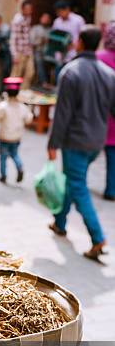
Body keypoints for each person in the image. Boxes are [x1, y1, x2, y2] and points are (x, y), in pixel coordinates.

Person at [48, 25, 115, 260]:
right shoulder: (108, 74)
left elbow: (62, 114)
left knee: (78, 186)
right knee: (73, 179)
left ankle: (97, 237)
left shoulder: (71, 72)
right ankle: (59, 221)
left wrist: (52, 143)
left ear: (80, 43)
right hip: (96, 141)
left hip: (75, 140)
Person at [0, 77, 33, 183]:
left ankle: (3, 176)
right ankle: (19, 167)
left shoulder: (3, 107)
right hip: (16, 137)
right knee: (15, 154)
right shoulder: (22, 107)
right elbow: (29, 119)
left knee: (3, 157)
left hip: (4, 138)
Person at [97, 21, 115, 201]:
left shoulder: (98, 57)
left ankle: (79, 183)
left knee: (86, 155)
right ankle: (111, 189)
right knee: (112, 155)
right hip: (114, 117)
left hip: (98, 114)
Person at [10, 1, 34, 89]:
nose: (30, 11)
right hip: (19, 52)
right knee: (16, 75)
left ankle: (23, 93)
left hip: (28, 51)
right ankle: (11, 95)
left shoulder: (28, 18)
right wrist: (14, 54)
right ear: (22, 9)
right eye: (28, 9)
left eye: (30, 9)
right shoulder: (17, 20)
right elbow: (13, 38)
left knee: (30, 73)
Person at [52, 0, 85, 64]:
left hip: (73, 54)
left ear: (67, 9)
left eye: (60, 11)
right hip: (60, 55)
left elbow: (83, 36)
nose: (59, 14)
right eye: (57, 12)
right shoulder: (57, 22)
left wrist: (75, 46)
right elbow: (54, 36)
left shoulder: (78, 20)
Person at [30, 12, 52, 86]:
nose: (45, 20)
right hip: (38, 51)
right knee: (39, 63)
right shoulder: (35, 28)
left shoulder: (51, 30)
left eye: (47, 18)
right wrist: (40, 41)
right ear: (41, 19)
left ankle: (49, 81)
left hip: (49, 52)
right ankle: (43, 82)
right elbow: (31, 41)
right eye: (44, 18)